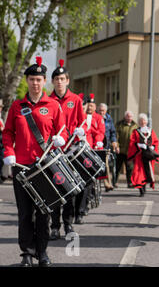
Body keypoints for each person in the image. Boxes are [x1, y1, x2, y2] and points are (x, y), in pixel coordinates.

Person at [2, 56, 67, 267]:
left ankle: (42, 251)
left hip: (44, 168)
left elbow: (61, 131)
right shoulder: (17, 106)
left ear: (44, 81)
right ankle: (27, 253)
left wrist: (60, 140)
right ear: (27, 81)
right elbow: (8, 133)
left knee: (44, 213)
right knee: (25, 213)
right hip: (21, 167)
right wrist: (8, 152)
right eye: (31, 79)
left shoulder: (54, 106)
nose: (35, 83)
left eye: (39, 79)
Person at [49, 59, 86, 240]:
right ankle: (54, 226)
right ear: (53, 81)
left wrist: (81, 131)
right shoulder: (48, 101)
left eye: (62, 78)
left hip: (70, 150)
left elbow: (82, 123)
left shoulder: (76, 100)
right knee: (55, 190)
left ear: (68, 80)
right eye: (56, 79)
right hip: (54, 152)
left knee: (70, 190)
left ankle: (68, 224)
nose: (59, 81)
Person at [127, 113, 159, 197]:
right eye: (141, 120)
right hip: (139, 156)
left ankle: (144, 186)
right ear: (139, 122)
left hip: (149, 156)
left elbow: (155, 141)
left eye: (144, 120)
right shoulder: (136, 132)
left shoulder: (151, 131)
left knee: (147, 172)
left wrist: (152, 147)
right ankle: (141, 189)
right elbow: (132, 142)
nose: (142, 122)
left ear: (146, 121)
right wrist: (138, 145)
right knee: (139, 173)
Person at [98, 103, 119, 188]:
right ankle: (105, 182)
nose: (101, 112)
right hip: (97, 145)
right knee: (100, 164)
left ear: (106, 111)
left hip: (106, 145)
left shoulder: (109, 119)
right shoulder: (95, 117)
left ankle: (107, 182)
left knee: (106, 164)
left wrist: (114, 141)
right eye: (100, 110)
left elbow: (112, 132)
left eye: (103, 111)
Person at [115, 111, 138, 188]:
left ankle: (130, 182)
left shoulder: (135, 126)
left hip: (130, 151)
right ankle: (115, 182)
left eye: (130, 116)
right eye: (128, 116)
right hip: (120, 150)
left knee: (130, 168)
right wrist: (116, 146)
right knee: (117, 167)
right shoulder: (119, 125)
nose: (129, 118)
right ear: (125, 117)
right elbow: (116, 136)